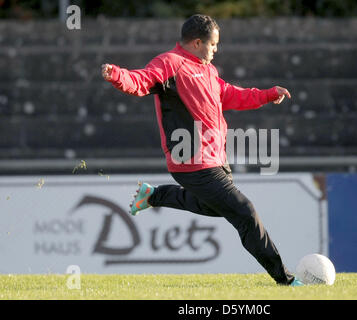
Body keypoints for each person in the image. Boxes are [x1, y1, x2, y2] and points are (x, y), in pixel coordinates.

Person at [101, 14, 302, 286]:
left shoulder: (209, 71)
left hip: (215, 160)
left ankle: (154, 196)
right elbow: (141, 80)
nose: (216, 50)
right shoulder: (170, 64)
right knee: (245, 212)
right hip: (190, 161)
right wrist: (117, 75)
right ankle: (285, 280)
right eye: (213, 44)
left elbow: (232, 95)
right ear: (197, 42)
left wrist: (267, 94)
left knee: (217, 208)